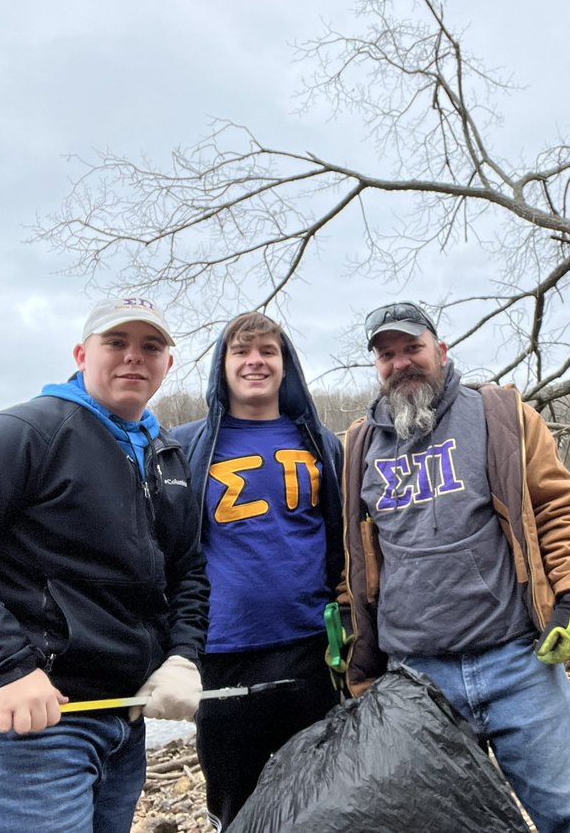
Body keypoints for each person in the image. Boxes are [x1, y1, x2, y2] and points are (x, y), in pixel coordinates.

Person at [0, 296, 209, 833]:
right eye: (117, 343)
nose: (134, 357)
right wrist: (5, 667)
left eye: (150, 346)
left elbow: (188, 572)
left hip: (123, 719)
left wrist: (182, 659)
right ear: (82, 355)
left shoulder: (168, 456)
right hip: (25, 723)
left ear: (167, 365)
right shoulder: (24, 433)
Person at [337, 301, 570, 833]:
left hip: (518, 663)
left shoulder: (502, 414)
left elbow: (556, 507)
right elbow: (351, 555)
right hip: (418, 681)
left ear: (440, 351)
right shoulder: (359, 447)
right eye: (386, 355)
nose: (401, 363)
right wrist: (350, 632)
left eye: (412, 348)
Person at [172, 311, 344, 830]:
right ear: (220, 367)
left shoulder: (320, 443)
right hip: (224, 652)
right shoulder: (184, 446)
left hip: (311, 648)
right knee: (235, 806)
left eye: (268, 352)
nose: (255, 362)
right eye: (241, 352)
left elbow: (345, 538)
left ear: (285, 365)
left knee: (323, 798)